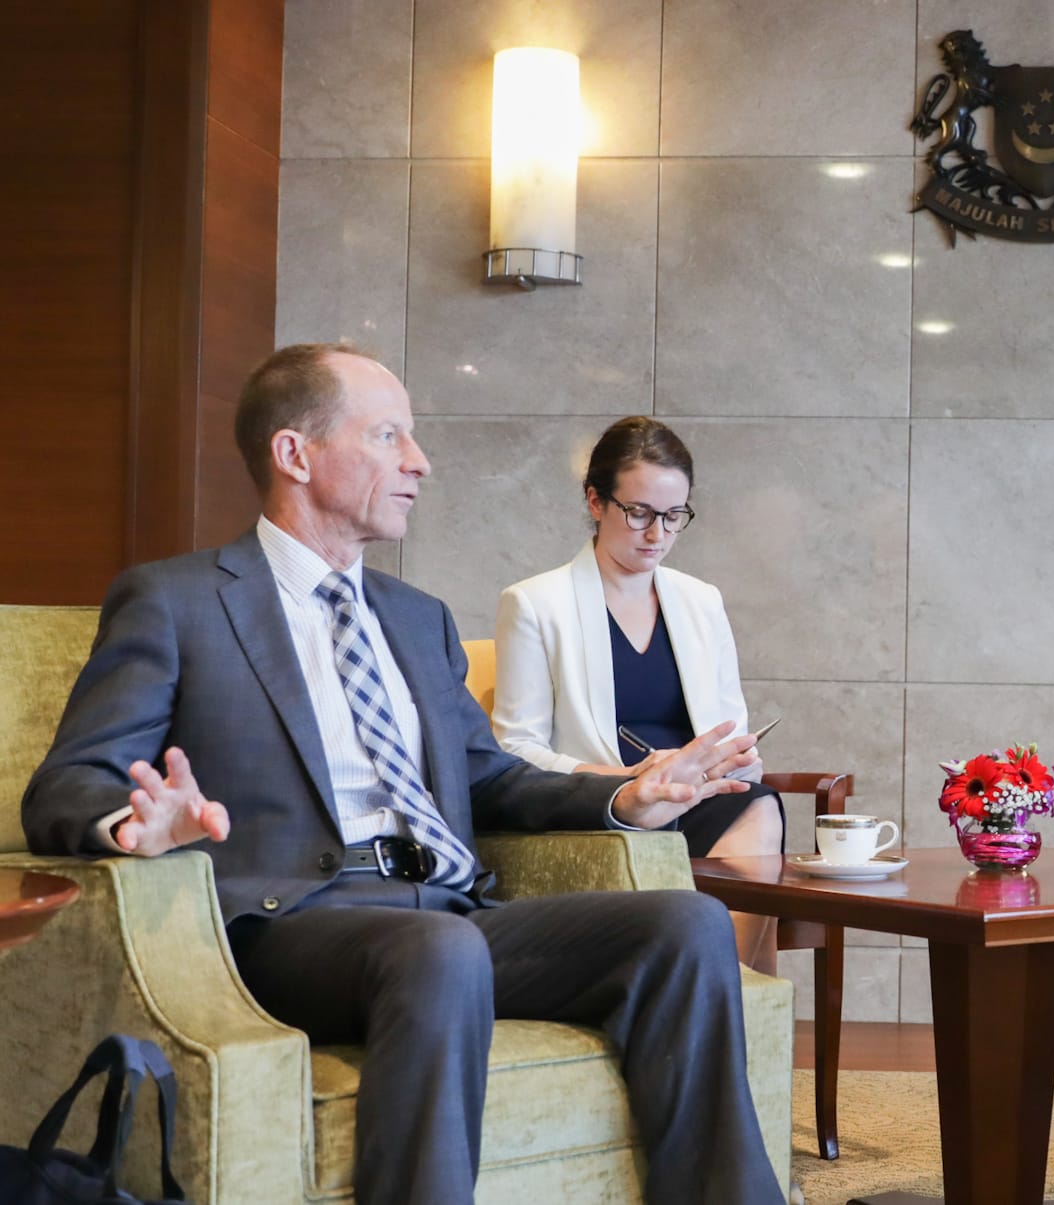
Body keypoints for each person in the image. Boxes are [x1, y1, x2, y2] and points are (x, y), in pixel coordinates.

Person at [20, 344, 786, 1205]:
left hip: (447, 912)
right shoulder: (179, 600)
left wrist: (624, 794)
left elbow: (489, 778)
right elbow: (65, 783)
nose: (419, 461)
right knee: (439, 949)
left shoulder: (416, 619)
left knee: (683, 926)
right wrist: (137, 823)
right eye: (389, 436)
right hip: (287, 924)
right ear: (295, 454)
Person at [492, 416, 784, 972]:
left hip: (693, 797)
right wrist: (626, 779)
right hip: (609, 800)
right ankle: (715, 1003)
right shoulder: (535, 603)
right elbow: (514, 750)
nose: (658, 535)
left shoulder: (702, 601)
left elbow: (726, 726)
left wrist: (732, 758)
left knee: (758, 803)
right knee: (743, 813)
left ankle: (724, 993)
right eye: (640, 513)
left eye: (675, 517)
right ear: (596, 501)